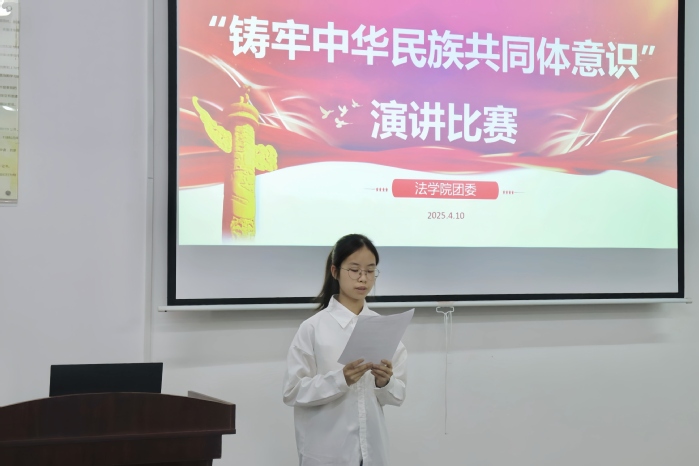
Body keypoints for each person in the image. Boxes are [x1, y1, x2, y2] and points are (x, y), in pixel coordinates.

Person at [283, 234, 408, 466]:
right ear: (335, 271)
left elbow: (398, 395)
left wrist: (384, 383)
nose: (363, 278)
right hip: (326, 453)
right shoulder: (313, 328)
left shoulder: (384, 328)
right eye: (354, 270)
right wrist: (340, 379)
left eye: (370, 270)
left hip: (371, 452)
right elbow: (292, 391)